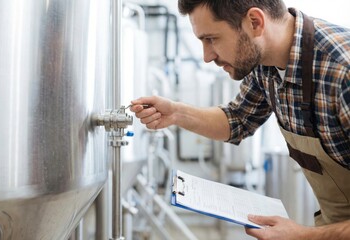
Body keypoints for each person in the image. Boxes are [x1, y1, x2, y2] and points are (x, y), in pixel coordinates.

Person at [130, 0, 350, 239]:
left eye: (211, 39)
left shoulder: (342, 71)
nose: (206, 56)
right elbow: (237, 120)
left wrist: (303, 236)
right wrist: (176, 113)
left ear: (255, 22)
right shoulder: (264, 63)